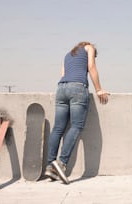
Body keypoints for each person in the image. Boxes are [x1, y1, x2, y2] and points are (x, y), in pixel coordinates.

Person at [45, 41, 109, 184]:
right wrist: (98, 89)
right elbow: (91, 67)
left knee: (58, 128)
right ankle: (61, 163)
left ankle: (50, 165)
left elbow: (63, 74)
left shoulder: (67, 55)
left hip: (61, 88)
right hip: (78, 88)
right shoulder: (89, 47)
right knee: (76, 126)